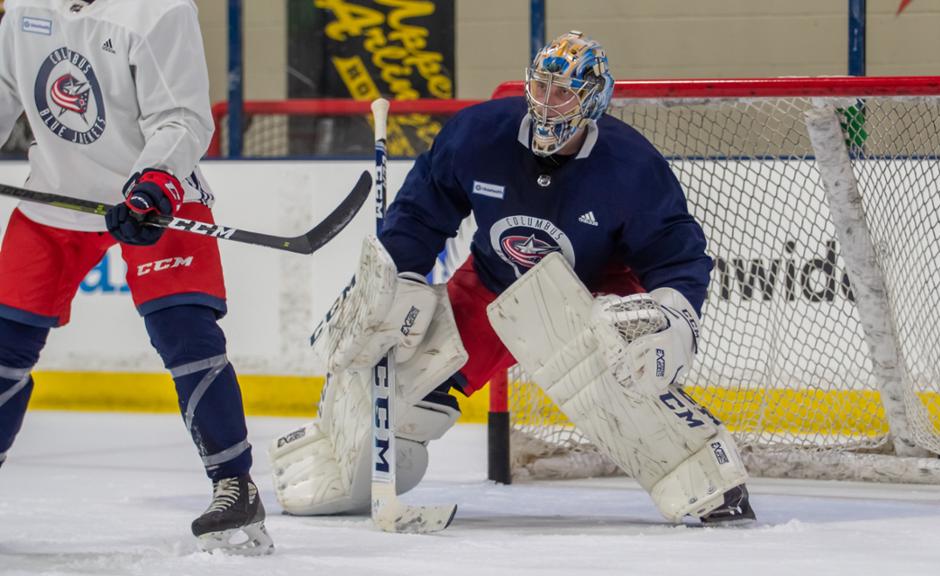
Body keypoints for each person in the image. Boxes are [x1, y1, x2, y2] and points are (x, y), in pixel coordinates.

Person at [270, 30, 754, 525]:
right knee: (401, 388)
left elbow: (676, 255)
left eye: (563, 92)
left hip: (591, 290)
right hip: (493, 283)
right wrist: (400, 276)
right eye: (542, 87)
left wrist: (674, 312)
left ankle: (707, 480)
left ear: (594, 99)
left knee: (624, 358)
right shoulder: (478, 135)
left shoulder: (631, 166)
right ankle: (340, 464)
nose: (548, 104)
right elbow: (421, 214)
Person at [0, 0, 272, 554]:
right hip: (56, 195)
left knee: (186, 335)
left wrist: (154, 182)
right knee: (3, 344)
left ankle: (234, 484)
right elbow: (6, 90)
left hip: (152, 197)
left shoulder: (160, 10)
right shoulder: (23, 7)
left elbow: (184, 117)